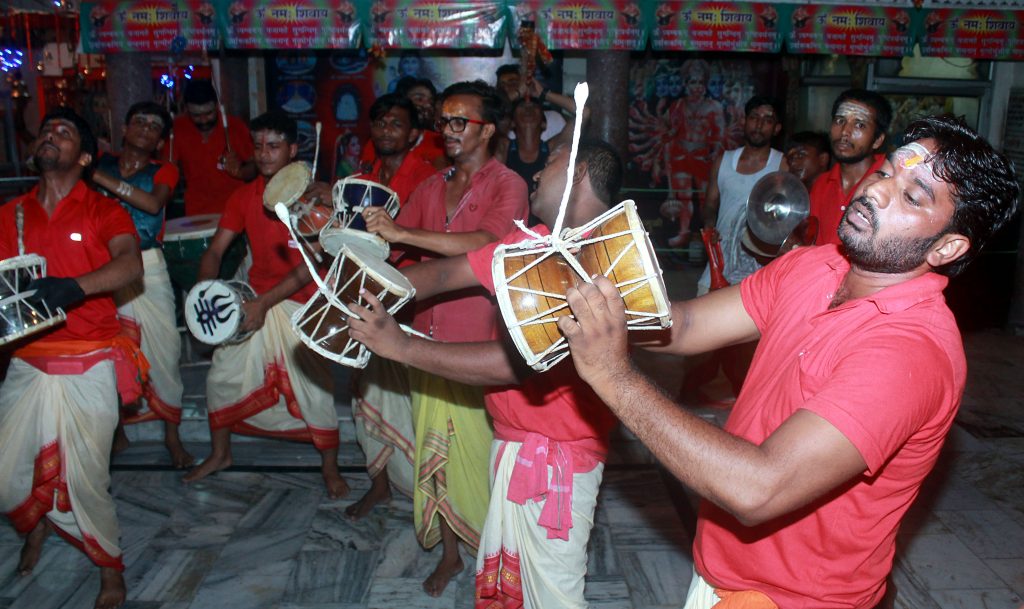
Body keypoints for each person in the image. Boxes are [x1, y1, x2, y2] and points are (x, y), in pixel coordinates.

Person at [557, 115, 1020, 609]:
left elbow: (759, 487)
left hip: (796, 597)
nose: (878, 192)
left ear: (948, 246)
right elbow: (686, 325)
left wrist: (613, 375)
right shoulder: (814, 266)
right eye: (886, 173)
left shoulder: (911, 351)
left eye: (912, 197)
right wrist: (591, 295)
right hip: (723, 563)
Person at [350, 139, 622, 609]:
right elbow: (443, 275)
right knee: (514, 586)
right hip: (512, 440)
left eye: (550, 160)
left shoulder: (601, 260)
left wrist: (403, 346)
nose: (535, 173)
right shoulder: (528, 242)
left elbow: (514, 365)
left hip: (557, 462)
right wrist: (363, 289)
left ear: (578, 173)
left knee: (555, 595)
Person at [363, 79, 528, 597]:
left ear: (489, 130)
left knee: (480, 463)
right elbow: (391, 249)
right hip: (423, 340)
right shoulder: (432, 187)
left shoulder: (509, 184)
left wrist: (402, 234)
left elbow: (487, 244)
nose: (448, 131)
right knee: (436, 459)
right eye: (444, 122)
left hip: (481, 346)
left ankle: (496, 557)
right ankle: (454, 555)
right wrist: (340, 230)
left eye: (461, 122)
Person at [0, 108, 145, 609]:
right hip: (27, 360)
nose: (49, 135)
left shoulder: (104, 212)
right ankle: (35, 522)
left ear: (84, 158)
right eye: (44, 130)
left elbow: (130, 264)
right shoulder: (9, 214)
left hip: (89, 360)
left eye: (63, 133)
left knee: (87, 481)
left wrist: (73, 288)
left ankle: (110, 569)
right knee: (6, 476)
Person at [183, 112, 346, 499]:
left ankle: (331, 468)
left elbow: (313, 266)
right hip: (254, 299)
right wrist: (204, 296)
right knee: (220, 375)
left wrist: (263, 304)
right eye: (257, 146)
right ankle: (220, 454)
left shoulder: (316, 200)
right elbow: (216, 250)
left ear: (292, 150)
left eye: (273, 146)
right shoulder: (243, 196)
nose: (263, 154)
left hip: (302, 304)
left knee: (313, 390)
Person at [344, 93, 435, 521]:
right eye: (379, 123)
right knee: (366, 396)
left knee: (416, 403)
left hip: (409, 298)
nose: (385, 131)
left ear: (415, 134)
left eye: (396, 124)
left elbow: (426, 241)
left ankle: (430, 493)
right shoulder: (365, 176)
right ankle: (379, 484)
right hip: (366, 292)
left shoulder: (429, 179)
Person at [91, 101, 192, 468]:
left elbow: (152, 205)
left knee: (164, 351)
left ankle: (172, 435)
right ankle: (116, 430)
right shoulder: (99, 163)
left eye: (154, 126)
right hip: (102, 266)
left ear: (160, 139)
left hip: (148, 265)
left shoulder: (163, 170)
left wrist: (100, 179)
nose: (146, 130)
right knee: (108, 349)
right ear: (125, 128)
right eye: (140, 122)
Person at [810, 89, 891, 247]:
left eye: (859, 125)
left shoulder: (889, 184)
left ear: (877, 140)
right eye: (840, 121)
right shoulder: (821, 184)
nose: (845, 132)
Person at [171, 79, 256, 216]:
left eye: (209, 113)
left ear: (217, 106)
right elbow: (168, 167)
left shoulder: (235, 126)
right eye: (196, 116)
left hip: (236, 208)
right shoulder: (178, 128)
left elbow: (255, 166)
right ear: (186, 109)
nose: (204, 120)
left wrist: (241, 172)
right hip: (196, 212)